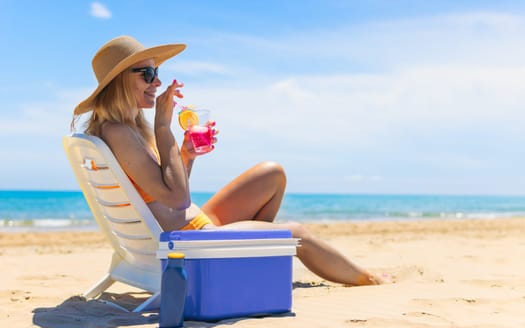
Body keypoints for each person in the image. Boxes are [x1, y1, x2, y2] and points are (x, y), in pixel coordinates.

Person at [72, 35, 381, 286]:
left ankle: (251, 256)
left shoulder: (124, 130)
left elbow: (164, 194)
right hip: (190, 243)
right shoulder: (121, 133)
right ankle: (369, 280)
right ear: (118, 82)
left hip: (188, 228)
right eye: (148, 74)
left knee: (272, 175)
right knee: (298, 234)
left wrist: (185, 155)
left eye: (157, 74)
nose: (156, 82)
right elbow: (178, 199)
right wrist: (163, 126)